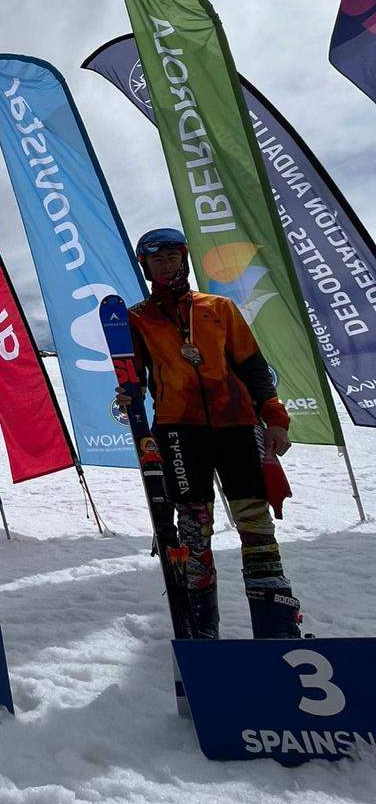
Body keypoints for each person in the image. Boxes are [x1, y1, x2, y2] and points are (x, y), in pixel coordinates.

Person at [126, 226, 300, 640]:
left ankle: (274, 622)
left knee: (254, 520)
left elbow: (253, 367)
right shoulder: (139, 318)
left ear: (184, 258)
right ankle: (202, 627)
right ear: (146, 267)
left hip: (237, 426)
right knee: (193, 524)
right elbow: (133, 375)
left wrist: (274, 416)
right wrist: (130, 396)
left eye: (173, 256)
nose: (167, 265)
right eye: (158, 259)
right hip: (178, 431)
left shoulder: (218, 307)